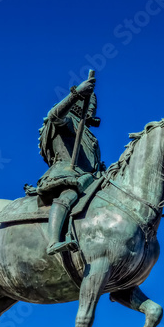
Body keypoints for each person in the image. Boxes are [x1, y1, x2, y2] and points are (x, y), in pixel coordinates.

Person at [30, 75, 104, 255]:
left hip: (89, 179)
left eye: (94, 104)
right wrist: (77, 94)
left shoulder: (88, 134)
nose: (92, 107)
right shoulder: (68, 121)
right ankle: (54, 241)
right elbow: (53, 116)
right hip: (67, 174)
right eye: (89, 102)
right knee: (69, 194)